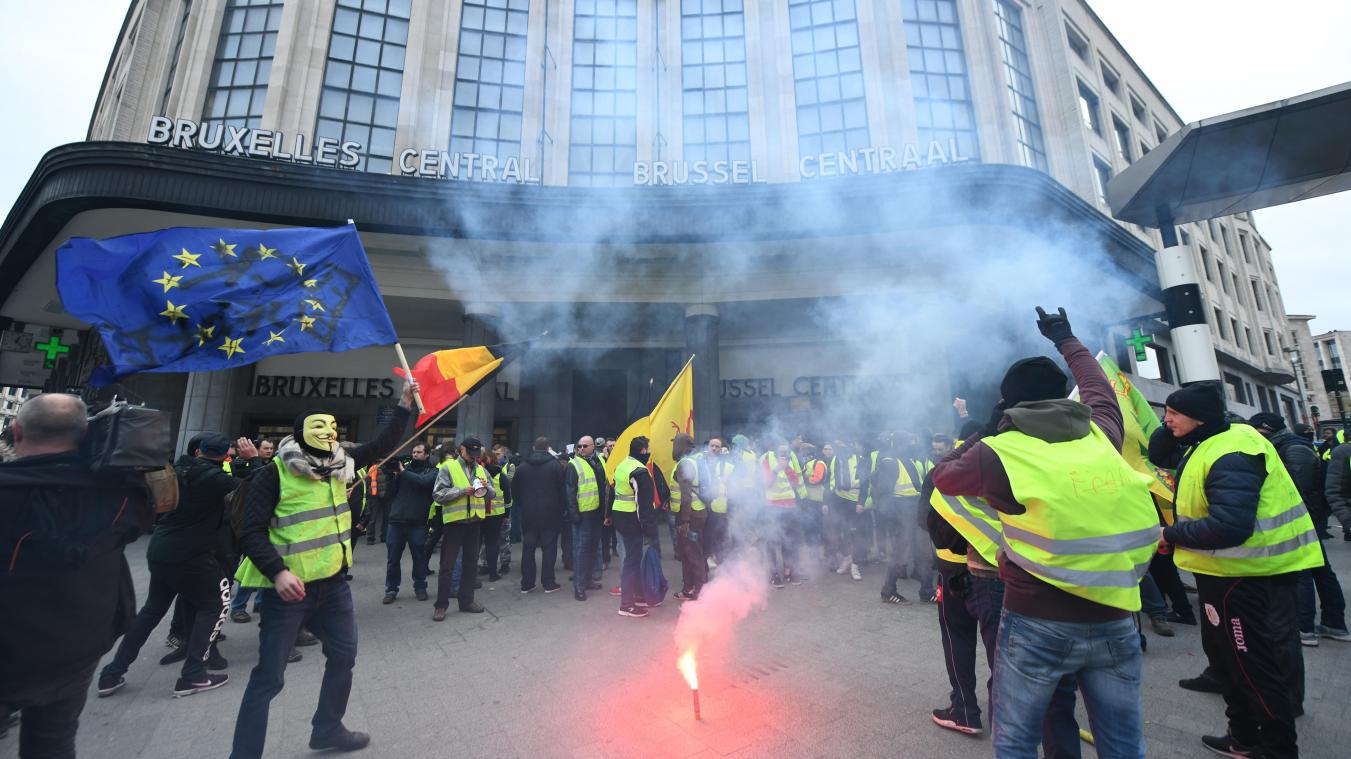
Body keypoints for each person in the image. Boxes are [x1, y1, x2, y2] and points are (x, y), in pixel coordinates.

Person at [933, 307, 1160, 759]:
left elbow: (943, 476)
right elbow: (1097, 388)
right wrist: (1067, 339)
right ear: (1064, 396)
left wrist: (990, 427)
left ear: (1010, 405)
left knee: (1017, 737)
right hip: (1115, 617)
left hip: (1038, 620)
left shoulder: (999, 451)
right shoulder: (1101, 433)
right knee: (1123, 743)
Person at [229, 383, 415, 758]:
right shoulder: (274, 474)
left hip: (333, 586)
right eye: (320, 427)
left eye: (333, 428)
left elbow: (380, 446)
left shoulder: (339, 464)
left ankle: (327, 729)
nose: (329, 434)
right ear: (299, 434)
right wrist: (278, 573)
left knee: (344, 656)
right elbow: (249, 531)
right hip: (288, 593)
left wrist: (404, 406)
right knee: (269, 678)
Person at [1149, 387, 1323, 758]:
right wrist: (1175, 424)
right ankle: (1242, 737)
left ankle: (1277, 749)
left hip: (1248, 576)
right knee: (1228, 662)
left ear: (1201, 418)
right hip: (1224, 573)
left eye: (1174, 413)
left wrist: (1169, 534)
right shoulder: (1208, 439)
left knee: (1253, 667)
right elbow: (1159, 454)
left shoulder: (1233, 451)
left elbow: (1231, 526)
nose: (1167, 420)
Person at [0, 394, 153, 759]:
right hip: (74, 648)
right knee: (52, 742)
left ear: (16, 431)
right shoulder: (118, 495)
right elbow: (151, 507)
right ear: (86, 435)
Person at [98, 432, 237, 699]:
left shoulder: (175, 469)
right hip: (192, 554)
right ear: (223, 455)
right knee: (215, 604)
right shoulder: (214, 478)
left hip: (161, 549)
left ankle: (112, 672)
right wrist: (252, 462)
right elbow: (247, 490)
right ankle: (194, 674)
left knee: (151, 611)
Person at [1250, 412, 1350, 646]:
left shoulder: (1292, 449)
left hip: (1299, 519)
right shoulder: (1290, 446)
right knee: (1318, 569)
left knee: (1304, 571)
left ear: (1265, 429)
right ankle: (1332, 623)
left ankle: (1305, 628)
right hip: (1304, 518)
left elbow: (1297, 489)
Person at [431, 437, 495, 619]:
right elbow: (438, 494)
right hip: (454, 524)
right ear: (462, 450)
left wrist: (486, 489)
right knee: (447, 566)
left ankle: (466, 601)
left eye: (477, 454)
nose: (473, 457)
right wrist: (461, 491)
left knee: (471, 564)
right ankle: (441, 605)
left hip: (474, 523)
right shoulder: (448, 467)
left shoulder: (481, 469)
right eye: (471, 453)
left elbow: (492, 493)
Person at [875, 433, 932, 604]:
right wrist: (893, 519)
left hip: (915, 509)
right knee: (900, 554)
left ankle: (927, 591)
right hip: (901, 512)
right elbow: (884, 496)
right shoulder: (890, 463)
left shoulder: (911, 461)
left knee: (924, 552)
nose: (913, 445)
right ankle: (888, 591)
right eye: (910, 442)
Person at [609, 436, 662, 617]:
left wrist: (608, 515)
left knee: (632, 559)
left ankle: (637, 597)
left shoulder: (622, 465)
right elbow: (644, 505)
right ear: (643, 451)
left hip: (620, 516)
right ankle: (627, 605)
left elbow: (613, 491)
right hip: (633, 520)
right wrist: (650, 530)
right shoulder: (640, 472)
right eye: (648, 450)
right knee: (632, 561)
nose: (648, 453)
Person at [383, 442, 435, 604]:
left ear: (427, 454)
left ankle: (420, 587)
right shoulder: (403, 471)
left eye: (419, 452)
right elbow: (390, 493)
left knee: (419, 557)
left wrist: (403, 472)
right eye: (413, 452)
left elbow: (423, 482)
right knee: (393, 559)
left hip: (418, 522)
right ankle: (391, 589)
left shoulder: (433, 471)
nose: (415, 454)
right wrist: (392, 475)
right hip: (396, 521)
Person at [512, 437, 566, 594]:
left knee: (528, 548)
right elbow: (562, 491)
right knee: (549, 548)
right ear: (548, 448)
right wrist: (560, 509)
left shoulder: (522, 467)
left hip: (528, 513)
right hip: (551, 514)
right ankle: (548, 583)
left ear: (534, 447)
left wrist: (524, 505)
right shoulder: (555, 466)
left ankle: (527, 583)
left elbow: (515, 491)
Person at [230, 438, 273, 623]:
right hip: (249, 524)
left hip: (268, 523)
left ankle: (261, 602)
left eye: (271, 448)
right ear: (257, 449)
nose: (269, 451)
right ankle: (238, 606)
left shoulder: (272, 466)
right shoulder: (242, 465)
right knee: (251, 568)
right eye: (265, 448)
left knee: (267, 567)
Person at [566, 435, 607, 600]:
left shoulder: (597, 462)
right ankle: (579, 586)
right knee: (581, 551)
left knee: (592, 548)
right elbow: (569, 492)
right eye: (579, 446)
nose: (581, 449)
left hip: (596, 513)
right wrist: (574, 515)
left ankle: (588, 580)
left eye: (585, 446)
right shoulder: (573, 464)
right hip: (583, 515)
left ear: (592, 447)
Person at [760, 440, 802, 588]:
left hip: (790, 507)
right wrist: (778, 469)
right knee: (772, 541)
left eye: (786, 449)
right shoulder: (766, 460)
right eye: (782, 448)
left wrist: (788, 471)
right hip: (772, 507)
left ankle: (789, 571)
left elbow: (795, 483)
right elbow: (765, 483)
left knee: (789, 541)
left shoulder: (789, 461)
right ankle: (773, 574)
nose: (784, 451)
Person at [671, 434, 707, 600]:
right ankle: (688, 588)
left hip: (689, 514)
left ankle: (700, 591)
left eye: (675, 444)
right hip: (697, 511)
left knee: (693, 553)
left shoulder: (685, 464)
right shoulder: (696, 460)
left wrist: (684, 521)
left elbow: (686, 495)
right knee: (688, 553)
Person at [829, 439, 870, 581]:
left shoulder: (861, 460)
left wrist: (861, 502)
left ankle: (855, 564)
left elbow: (865, 483)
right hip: (839, 500)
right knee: (841, 531)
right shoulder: (835, 459)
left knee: (857, 534)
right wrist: (828, 501)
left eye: (843, 445)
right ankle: (847, 558)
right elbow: (831, 481)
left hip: (855, 500)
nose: (840, 448)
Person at [698, 437, 731, 569]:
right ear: (708, 447)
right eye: (712, 446)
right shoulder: (701, 462)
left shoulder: (726, 465)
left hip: (720, 507)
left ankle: (719, 560)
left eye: (717, 446)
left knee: (720, 536)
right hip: (704, 505)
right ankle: (707, 559)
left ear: (721, 449)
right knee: (706, 536)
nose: (714, 448)